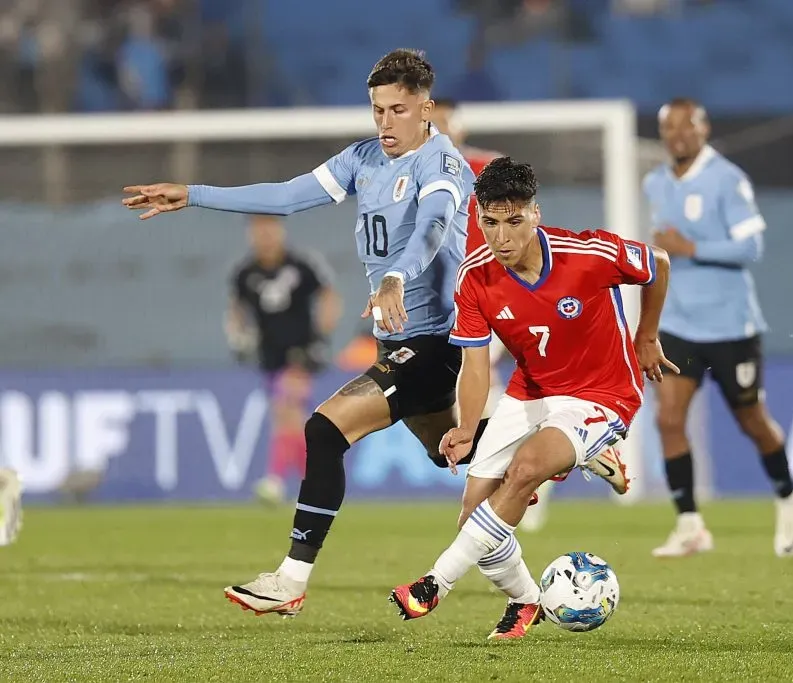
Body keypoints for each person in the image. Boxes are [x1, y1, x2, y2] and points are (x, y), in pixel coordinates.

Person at [122, 49, 626, 617]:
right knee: (449, 451)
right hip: (399, 339)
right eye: (378, 110)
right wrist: (194, 194)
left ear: (425, 107)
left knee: (323, 431)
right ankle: (577, 455)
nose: (385, 123)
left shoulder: (445, 165)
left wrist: (393, 277)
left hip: (437, 340)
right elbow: (288, 197)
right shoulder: (364, 159)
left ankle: (290, 580)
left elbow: (434, 228)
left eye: (398, 110)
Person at [389, 157, 675, 640]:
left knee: (524, 470)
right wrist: (464, 426)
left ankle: (434, 583)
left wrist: (647, 335)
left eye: (514, 222)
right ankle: (525, 599)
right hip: (531, 390)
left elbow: (658, 264)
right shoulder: (475, 277)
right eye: (491, 223)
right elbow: (476, 366)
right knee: (475, 517)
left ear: (535, 214)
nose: (502, 238)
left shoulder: (586, 253)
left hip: (602, 393)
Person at [643, 98, 793, 559]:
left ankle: (789, 497)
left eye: (685, 125)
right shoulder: (654, 182)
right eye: (668, 126)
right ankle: (690, 524)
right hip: (679, 324)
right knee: (668, 418)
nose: (676, 134)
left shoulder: (728, 179)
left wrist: (689, 246)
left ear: (703, 128)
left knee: (751, 420)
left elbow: (751, 247)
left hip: (731, 325)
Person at [431, 98, 565, 532]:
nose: (438, 132)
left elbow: (522, 209)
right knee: (487, 395)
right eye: (432, 125)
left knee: (494, 388)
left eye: (444, 124)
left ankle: (533, 472)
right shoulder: (415, 179)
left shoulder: (485, 170)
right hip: (464, 302)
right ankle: (535, 470)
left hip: (506, 294)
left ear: (460, 129)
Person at [225, 215, 340, 506]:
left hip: (301, 352)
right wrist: (238, 337)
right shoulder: (245, 273)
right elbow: (236, 309)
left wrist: (320, 338)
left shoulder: (300, 266)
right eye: (258, 230)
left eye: (270, 229)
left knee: (285, 409)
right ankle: (316, 486)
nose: (265, 236)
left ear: (281, 231)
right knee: (290, 420)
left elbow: (329, 297)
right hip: (270, 355)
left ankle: (275, 480)